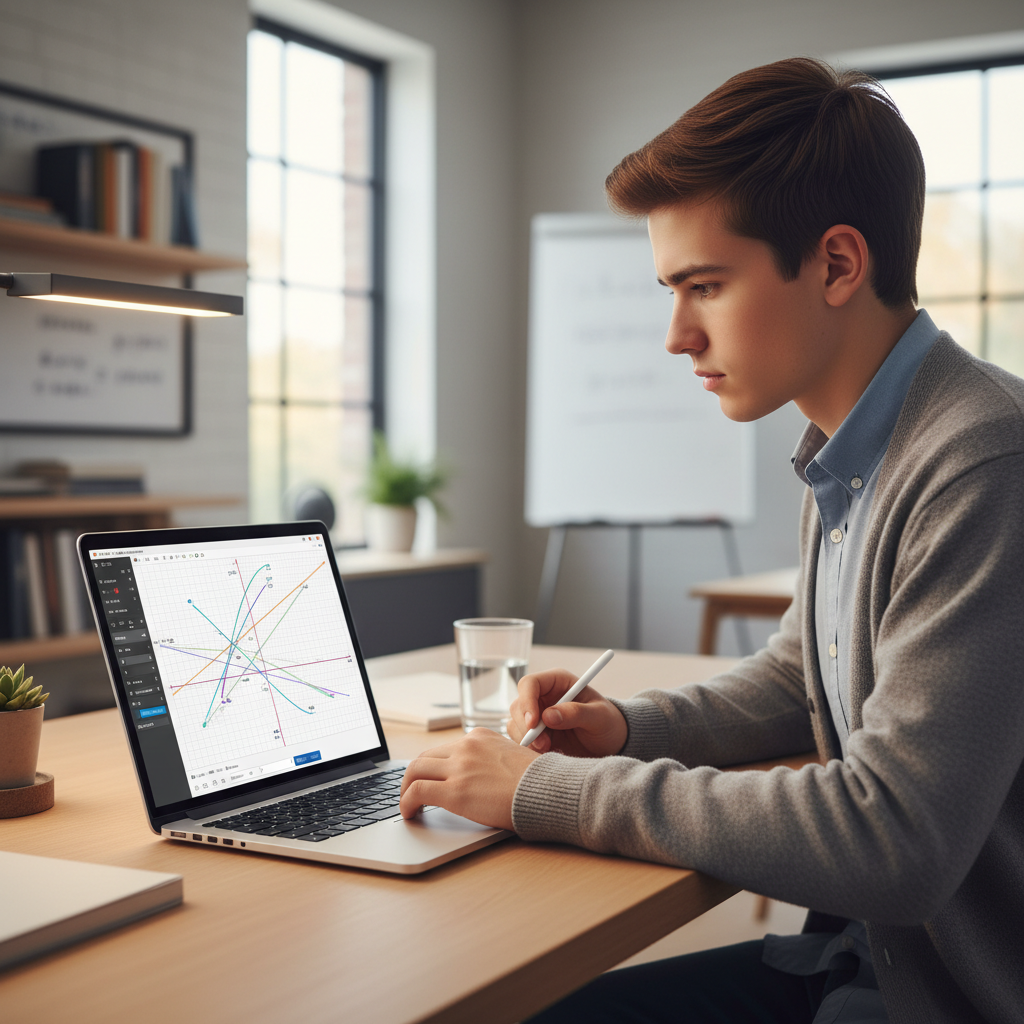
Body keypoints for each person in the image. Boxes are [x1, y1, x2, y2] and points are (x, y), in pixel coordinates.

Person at [398, 57, 1024, 1023]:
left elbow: (894, 840)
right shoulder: (851, 446)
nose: (676, 335)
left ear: (838, 264)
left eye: (704, 286)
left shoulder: (979, 460)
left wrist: (549, 791)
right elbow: (794, 677)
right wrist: (626, 728)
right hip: (867, 958)